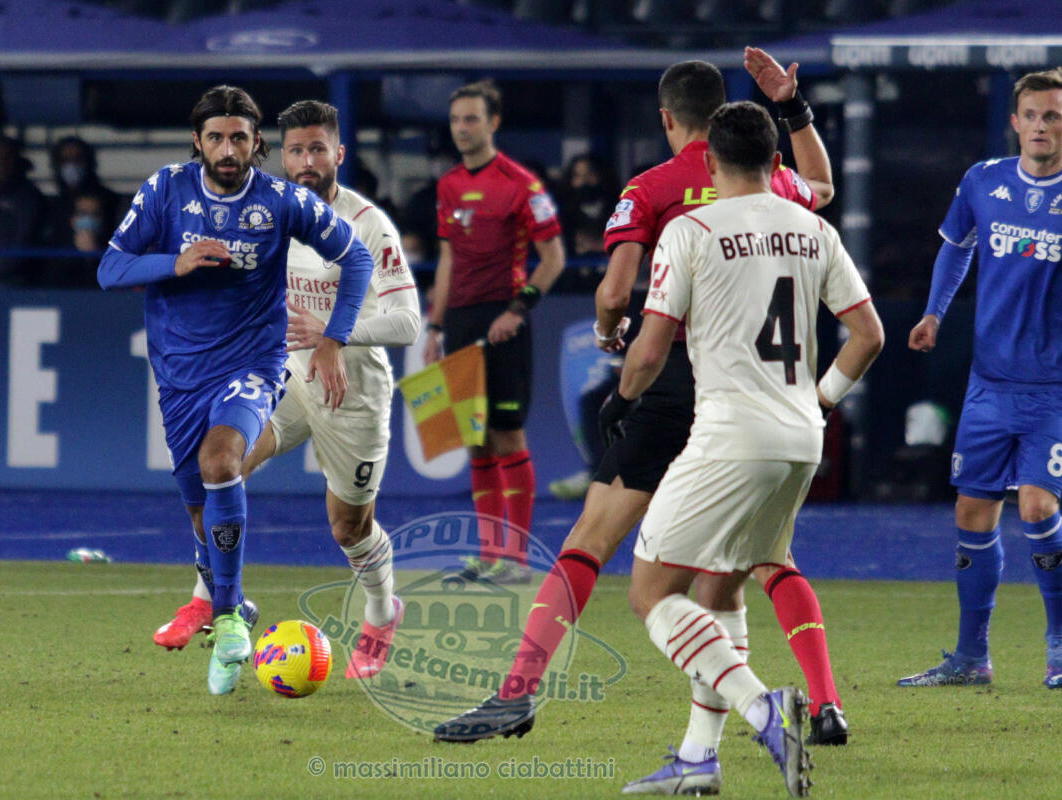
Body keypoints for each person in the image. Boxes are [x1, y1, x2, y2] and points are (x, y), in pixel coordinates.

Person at [436, 50, 851, 748]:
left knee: (591, 542)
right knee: (748, 568)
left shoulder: (652, 187)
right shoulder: (773, 180)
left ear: (667, 119)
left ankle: (518, 692)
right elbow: (824, 186)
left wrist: (612, 343)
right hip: (760, 390)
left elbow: (613, 293)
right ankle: (788, 715)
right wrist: (793, 108)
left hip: (677, 379)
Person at [614, 100, 882, 796]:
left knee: (651, 593)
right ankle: (698, 760)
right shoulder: (813, 228)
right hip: (800, 440)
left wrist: (623, 397)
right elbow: (869, 335)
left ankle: (765, 710)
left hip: (729, 437)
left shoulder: (690, 229)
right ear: (776, 161)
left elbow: (651, 348)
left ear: (709, 161)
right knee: (722, 585)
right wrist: (820, 401)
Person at [97, 85, 375, 696]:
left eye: (240, 138)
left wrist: (333, 338)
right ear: (197, 141)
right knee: (200, 507)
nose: (228, 150)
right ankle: (235, 604)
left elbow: (356, 258)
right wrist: (174, 262)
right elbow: (109, 268)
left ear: (257, 143)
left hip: (253, 361)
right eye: (217, 138)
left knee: (222, 461)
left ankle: (225, 618)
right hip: (180, 373)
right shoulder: (165, 189)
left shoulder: (281, 200)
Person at [152, 99, 421, 681]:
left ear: (338, 154)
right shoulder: (267, 211)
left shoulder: (368, 224)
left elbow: (408, 323)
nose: (306, 161)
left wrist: (335, 334)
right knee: (219, 465)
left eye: (317, 149)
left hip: (351, 389)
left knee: (348, 528)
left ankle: (381, 612)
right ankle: (214, 599)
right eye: (296, 150)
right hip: (284, 376)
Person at [899, 67, 1062, 690]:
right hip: (989, 384)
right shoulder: (983, 181)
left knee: (1038, 504)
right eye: (1032, 116)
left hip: (1053, 389)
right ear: (1015, 122)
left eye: (1053, 116)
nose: (1041, 126)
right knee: (972, 510)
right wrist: (933, 313)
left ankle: (1058, 647)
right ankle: (971, 658)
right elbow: (956, 245)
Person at [424, 79, 566, 584]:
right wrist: (435, 325)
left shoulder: (521, 184)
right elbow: (447, 259)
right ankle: (488, 555)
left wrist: (518, 310)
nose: (462, 128)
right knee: (475, 440)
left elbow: (554, 258)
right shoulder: (447, 186)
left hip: (502, 322)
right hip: (461, 323)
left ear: (494, 123)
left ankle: (518, 560)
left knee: (507, 435)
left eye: (472, 119)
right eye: (456, 119)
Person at [46, 136, 126, 287]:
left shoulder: (111, 201)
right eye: (65, 160)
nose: (72, 165)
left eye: (78, 159)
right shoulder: (53, 206)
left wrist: (95, 252)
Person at [0, 135, 47, 287]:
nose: (1, 163)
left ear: (17, 161)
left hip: (17, 282)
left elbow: (24, 241)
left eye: (7, 157)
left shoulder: (30, 199)